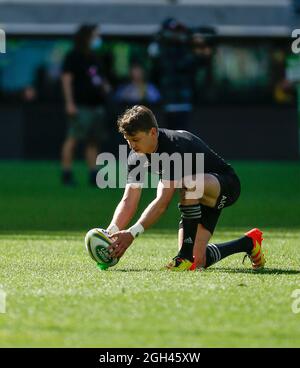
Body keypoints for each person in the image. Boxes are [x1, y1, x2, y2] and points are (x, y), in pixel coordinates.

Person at [105, 105, 266, 271]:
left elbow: (162, 203)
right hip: (195, 196)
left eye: (136, 139)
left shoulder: (172, 147)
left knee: (188, 184)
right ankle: (248, 243)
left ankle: (184, 257)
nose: (131, 145)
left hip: (225, 185)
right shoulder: (137, 156)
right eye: (127, 140)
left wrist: (132, 233)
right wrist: (109, 233)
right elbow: (129, 200)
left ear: (152, 132)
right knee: (199, 261)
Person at [61, 24, 111, 186]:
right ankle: (67, 173)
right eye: (95, 35)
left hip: (96, 104)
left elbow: (99, 78)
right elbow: (66, 80)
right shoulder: (73, 56)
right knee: (73, 138)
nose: (98, 38)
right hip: (80, 105)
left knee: (93, 140)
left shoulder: (95, 57)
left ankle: (93, 174)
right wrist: (70, 103)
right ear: (87, 36)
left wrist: (105, 86)